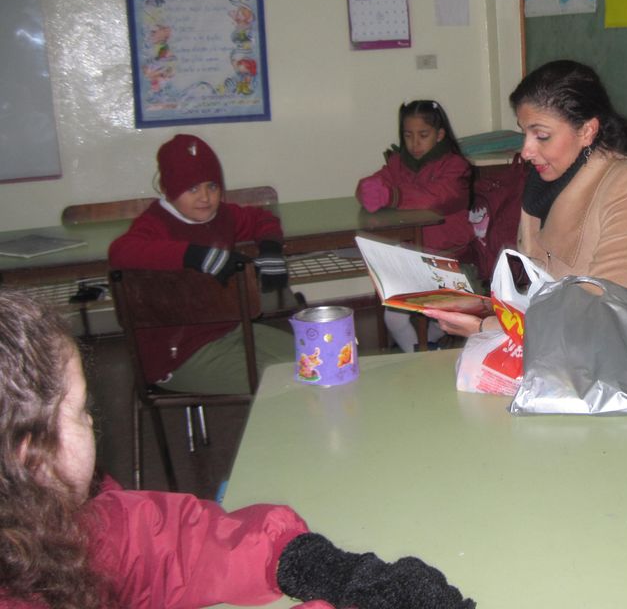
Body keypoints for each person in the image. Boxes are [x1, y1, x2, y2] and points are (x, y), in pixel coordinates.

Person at [0, 291, 474, 609]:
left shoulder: (55, 520)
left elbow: (152, 546)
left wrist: (306, 561)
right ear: (29, 453)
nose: (92, 425)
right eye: (81, 411)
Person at [425, 60, 627, 401]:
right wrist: (480, 308)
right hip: (561, 369)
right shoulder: (543, 185)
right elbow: (540, 293)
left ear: (587, 131)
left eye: (541, 135)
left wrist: (485, 326)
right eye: (524, 132)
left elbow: (596, 314)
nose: (526, 150)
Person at [108, 133, 294, 395]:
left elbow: (261, 218)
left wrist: (271, 249)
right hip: (177, 355)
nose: (205, 197)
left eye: (212, 186)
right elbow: (121, 251)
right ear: (167, 189)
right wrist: (195, 256)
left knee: (318, 356)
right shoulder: (156, 223)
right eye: (192, 189)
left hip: (229, 330)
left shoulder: (222, 216)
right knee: (286, 380)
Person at [356, 100, 474, 352]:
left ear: (439, 135)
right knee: (394, 318)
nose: (414, 143)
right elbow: (374, 182)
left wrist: (393, 196)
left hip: (447, 258)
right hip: (409, 255)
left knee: (444, 320)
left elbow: (437, 197)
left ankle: (426, 349)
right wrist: (367, 190)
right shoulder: (399, 163)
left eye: (423, 135)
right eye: (408, 135)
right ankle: (424, 353)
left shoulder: (456, 165)